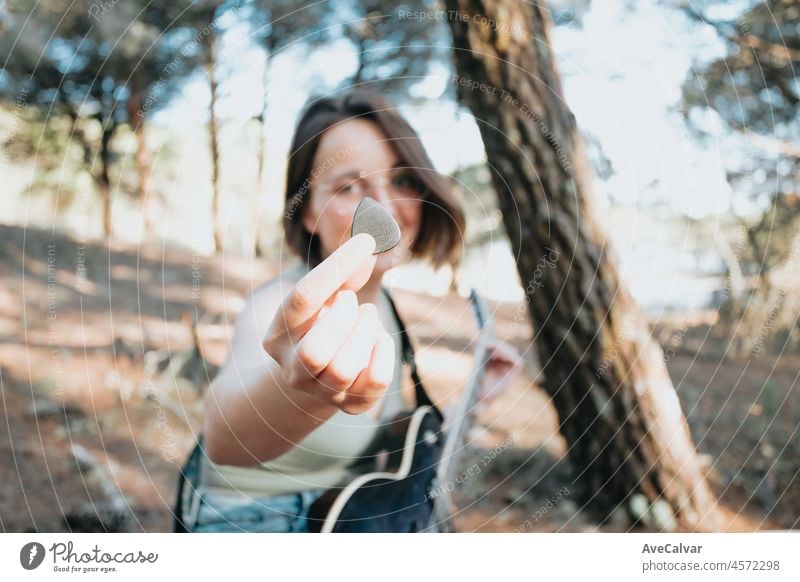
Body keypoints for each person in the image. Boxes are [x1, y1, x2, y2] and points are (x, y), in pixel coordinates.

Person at [178, 89, 522, 533]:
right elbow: (222, 439)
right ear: (307, 214)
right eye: (348, 186)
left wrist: (477, 393)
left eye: (401, 181)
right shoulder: (276, 303)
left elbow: (397, 449)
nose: (383, 207)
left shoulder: (388, 309)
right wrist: (297, 388)